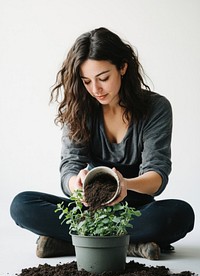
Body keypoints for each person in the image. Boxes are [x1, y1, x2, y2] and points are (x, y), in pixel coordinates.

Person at [10, 27, 195, 260]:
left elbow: (157, 176)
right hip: (89, 210)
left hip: (136, 212)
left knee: (180, 214)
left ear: (123, 67)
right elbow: (69, 167)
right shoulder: (79, 110)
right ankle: (129, 245)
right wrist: (76, 186)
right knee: (21, 205)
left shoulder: (156, 108)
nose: (95, 89)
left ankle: (72, 243)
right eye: (86, 81)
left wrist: (124, 184)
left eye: (103, 78)